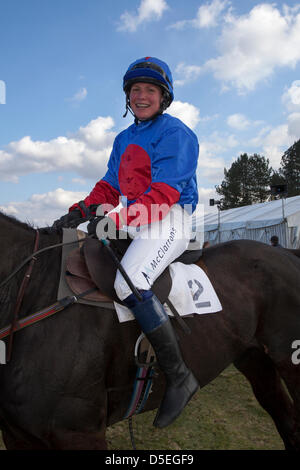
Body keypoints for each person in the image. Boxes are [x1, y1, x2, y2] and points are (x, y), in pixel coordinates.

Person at [52, 57, 199, 428]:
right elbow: (109, 187)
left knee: (128, 280)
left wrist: (114, 219)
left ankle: (180, 376)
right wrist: (80, 210)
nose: (141, 95)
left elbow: (164, 194)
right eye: (135, 90)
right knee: (84, 251)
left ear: (163, 97)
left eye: (150, 89)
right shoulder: (123, 139)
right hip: (138, 218)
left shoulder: (176, 133)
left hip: (169, 216)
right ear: (127, 98)